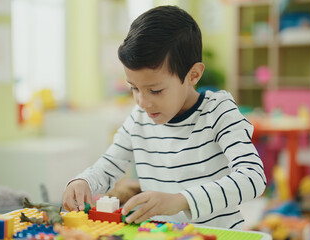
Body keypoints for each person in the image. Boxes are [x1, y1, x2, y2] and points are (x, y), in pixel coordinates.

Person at [62, 5, 266, 229]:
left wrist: (180, 200)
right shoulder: (139, 119)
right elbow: (109, 165)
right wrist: (83, 181)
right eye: (134, 88)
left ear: (193, 75)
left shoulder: (218, 112)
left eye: (155, 91)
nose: (142, 101)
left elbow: (253, 178)